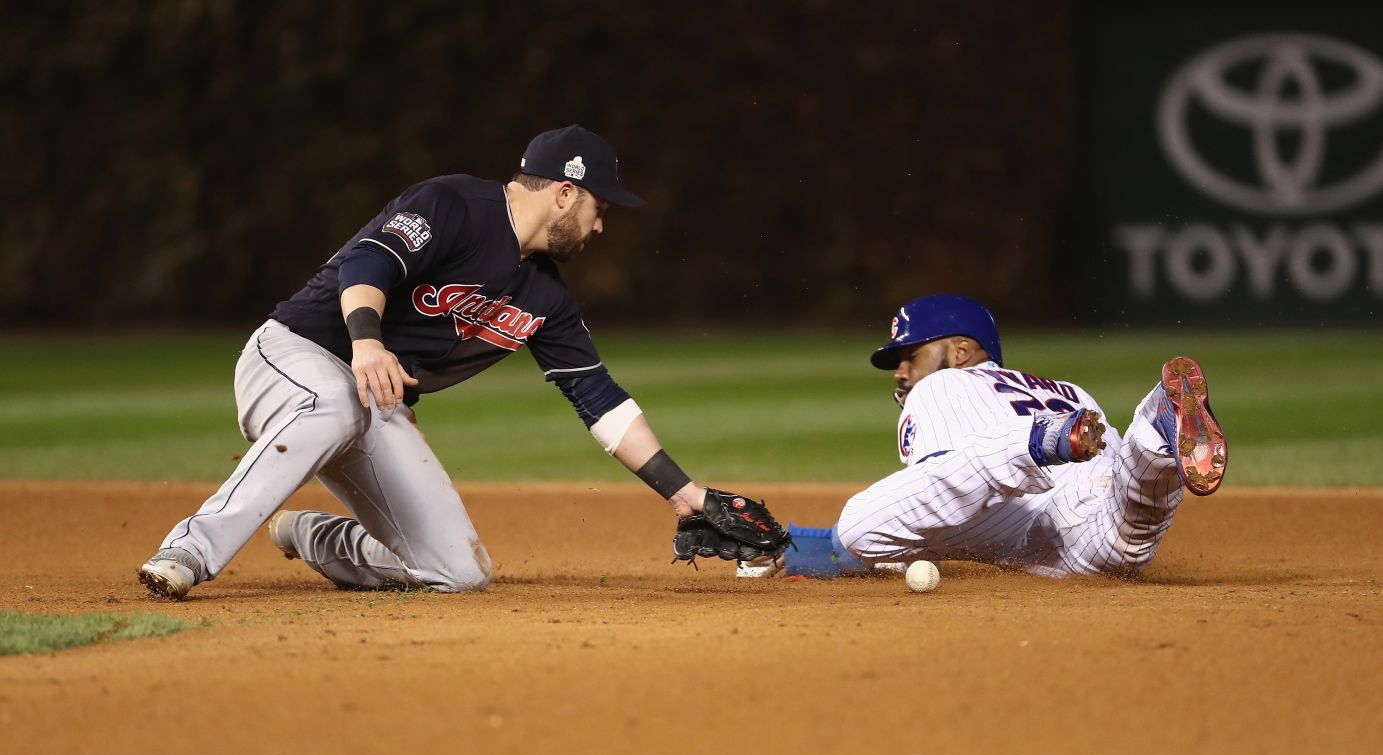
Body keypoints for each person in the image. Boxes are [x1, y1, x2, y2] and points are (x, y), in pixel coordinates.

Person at [139, 125, 713, 599]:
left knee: (458, 572)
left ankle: (315, 538)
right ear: (565, 193)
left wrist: (683, 494)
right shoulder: (454, 204)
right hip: (295, 355)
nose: (601, 224)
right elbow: (366, 265)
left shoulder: (546, 297)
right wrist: (366, 342)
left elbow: (600, 399)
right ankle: (189, 549)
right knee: (335, 397)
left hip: (373, 403)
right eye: (599, 206)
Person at [739, 293, 1228, 580]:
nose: (901, 371)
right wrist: (796, 546)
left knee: (861, 524)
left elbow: (944, 491)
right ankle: (1154, 431)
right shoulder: (1067, 388)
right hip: (1092, 501)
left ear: (959, 351)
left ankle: (1041, 442)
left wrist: (831, 548)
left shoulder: (942, 388)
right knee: (1128, 522)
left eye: (911, 354)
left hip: (1044, 512)